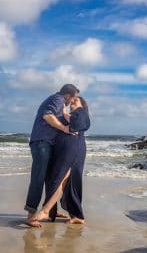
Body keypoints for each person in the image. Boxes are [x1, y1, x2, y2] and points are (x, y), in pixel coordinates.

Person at [24, 84, 79, 227]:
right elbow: (47, 116)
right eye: (73, 98)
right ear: (68, 95)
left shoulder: (59, 103)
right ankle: (30, 216)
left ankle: (51, 211)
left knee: (50, 178)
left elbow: (56, 115)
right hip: (42, 143)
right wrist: (64, 128)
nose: (73, 101)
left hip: (46, 143)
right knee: (39, 177)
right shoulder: (58, 99)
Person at [35, 96, 90, 225]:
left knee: (61, 179)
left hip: (72, 149)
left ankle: (46, 210)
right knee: (64, 181)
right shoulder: (73, 114)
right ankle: (74, 214)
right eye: (71, 101)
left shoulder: (81, 112)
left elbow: (81, 124)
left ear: (82, 104)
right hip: (66, 150)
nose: (72, 103)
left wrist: (64, 113)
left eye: (75, 101)